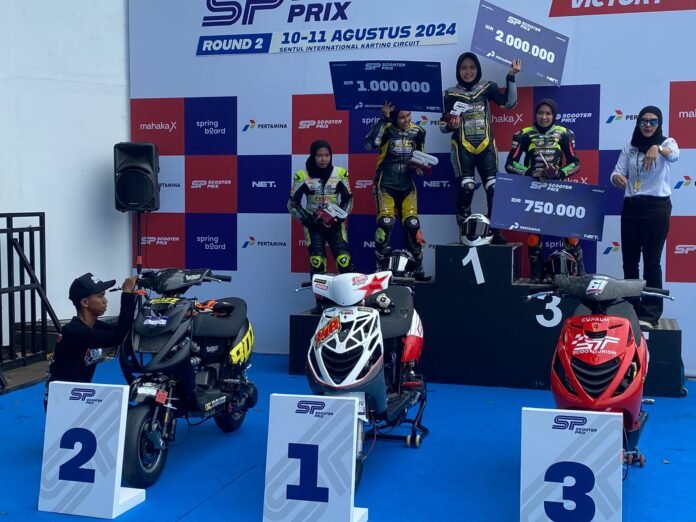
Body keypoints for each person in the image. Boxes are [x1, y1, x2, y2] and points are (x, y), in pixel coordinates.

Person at [441, 52, 522, 245]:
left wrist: (511, 76)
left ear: (477, 69)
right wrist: (450, 124)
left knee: (494, 188)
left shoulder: (487, 87)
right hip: (462, 146)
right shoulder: (450, 93)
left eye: (472, 67)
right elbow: (443, 126)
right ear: (458, 71)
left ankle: (496, 232)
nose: (468, 71)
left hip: (486, 145)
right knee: (467, 187)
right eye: (464, 68)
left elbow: (509, 104)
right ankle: (465, 233)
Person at [610, 105, 679, 328]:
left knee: (652, 262)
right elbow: (617, 171)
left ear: (659, 123)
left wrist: (657, 148)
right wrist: (617, 178)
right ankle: (631, 308)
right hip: (631, 207)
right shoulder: (630, 146)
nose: (648, 125)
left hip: (656, 208)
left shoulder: (667, 142)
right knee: (629, 261)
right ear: (638, 123)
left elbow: (675, 155)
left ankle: (650, 313)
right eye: (643, 121)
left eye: (653, 121)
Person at [505, 98, 583, 282]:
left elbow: (576, 163)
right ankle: (536, 275)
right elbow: (510, 164)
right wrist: (529, 172)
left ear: (554, 115)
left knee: (571, 237)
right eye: (540, 113)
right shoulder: (523, 134)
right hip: (534, 191)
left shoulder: (564, 133)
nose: (544, 117)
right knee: (533, 237)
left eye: (548, 113)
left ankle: (580, 274)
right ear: (535, 114)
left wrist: (560, 173)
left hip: (558, 190)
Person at [44, 273, 139, 410]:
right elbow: (118, 336)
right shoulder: (73, 331)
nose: (105, 301)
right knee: (123, 411)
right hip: (60, 401)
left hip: (79, 395)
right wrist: (127, 295)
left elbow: (124, 332)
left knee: (125, 409)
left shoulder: (95, 325)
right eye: (100, 296)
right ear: (85, 303)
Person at [365, 102, 431, 281]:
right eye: (402, 117)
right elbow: (370, 145)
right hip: (385, 184)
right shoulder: (386, 128)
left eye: (408, 115)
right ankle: (381, 269)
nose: (406, 120)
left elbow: (421, 155)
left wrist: (420, 166)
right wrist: (383, 119)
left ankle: (418, 268)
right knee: (385, 224)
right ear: (395, 117)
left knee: (412, 224)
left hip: (407, 185)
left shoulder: (418, 131)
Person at [288, 139, 355, 282]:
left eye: (327, 155)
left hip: (335, 224)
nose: (323, 159)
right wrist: (310, 221)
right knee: (317, 262)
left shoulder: (340, 173)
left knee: (344, 260)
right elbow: (292, 204)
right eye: (319, 156)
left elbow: (348, 200)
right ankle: (320, 296)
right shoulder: (302, 176)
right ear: (313, 156)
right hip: (314, 226)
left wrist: (339, 218)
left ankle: (349, 295)